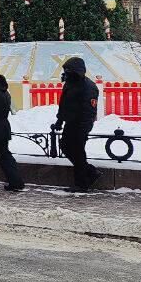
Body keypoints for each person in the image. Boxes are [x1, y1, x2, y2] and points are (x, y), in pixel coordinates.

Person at [54, 56, 101, 192]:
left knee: (78, 152)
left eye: (68, 70)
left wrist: (84, 127)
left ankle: (82, 184)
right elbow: (64, 104)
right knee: (66, 147)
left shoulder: (89, 86)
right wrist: (60, 120)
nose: (66, 73)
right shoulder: (70, 84)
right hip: (70, 122)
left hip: (81, 124)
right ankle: (90, 172)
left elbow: (89, 110)